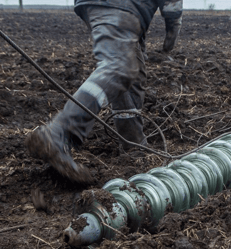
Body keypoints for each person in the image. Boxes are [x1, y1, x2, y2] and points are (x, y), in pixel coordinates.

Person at [25, 0, 183, 184]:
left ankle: (134, 147)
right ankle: (59, 132)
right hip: (120, 4)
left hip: (114, 7)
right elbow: (173, 5)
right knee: (119, 67)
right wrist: (172, 31)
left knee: (131, 71)